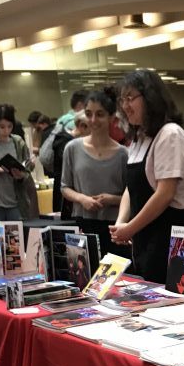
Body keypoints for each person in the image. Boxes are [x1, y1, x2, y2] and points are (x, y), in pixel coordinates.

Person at [110, 70, 184, 283]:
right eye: (122, 99)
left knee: (179, 309)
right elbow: (131, 187)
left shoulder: (170, 134)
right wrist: (121, 222)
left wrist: (131, 228)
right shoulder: (139, 138)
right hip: (150, 237)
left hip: (179, 242)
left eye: (130, 98)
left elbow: (165, 193)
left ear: (150, 98)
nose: (125, 106)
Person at [61, 88, 127, 256]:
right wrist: (82, 199)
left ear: (112, 118)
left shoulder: (123, 154)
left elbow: (132, 195)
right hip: (83, 224)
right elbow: (64, 187)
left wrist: (112, 199)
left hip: (114, 227)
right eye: (89, 114)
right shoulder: (72, 148)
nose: (93, 120)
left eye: (100, 114)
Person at [52, 112, 89, 218]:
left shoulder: (61, 140)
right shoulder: (69, 145)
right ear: (82, 126)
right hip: (68, 197)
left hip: (67, 194)